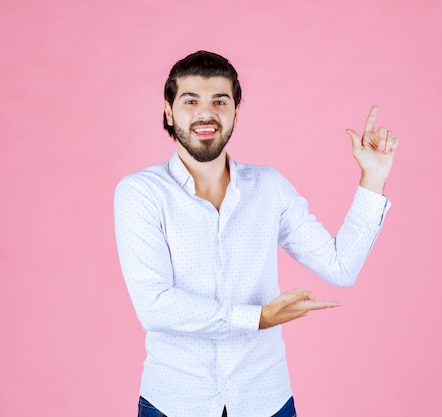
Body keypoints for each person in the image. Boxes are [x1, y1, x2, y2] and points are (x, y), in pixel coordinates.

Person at [114, 50, 398, 417]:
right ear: (169, 111)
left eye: (220, 100)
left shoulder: (269, 187)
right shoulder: (141, 192)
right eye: (190, 101)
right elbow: (154, 306)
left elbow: (340, 267)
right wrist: (257, 318)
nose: (207, 113)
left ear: (236, 111)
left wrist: (372, 178)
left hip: (265, 398)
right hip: (174, 401)